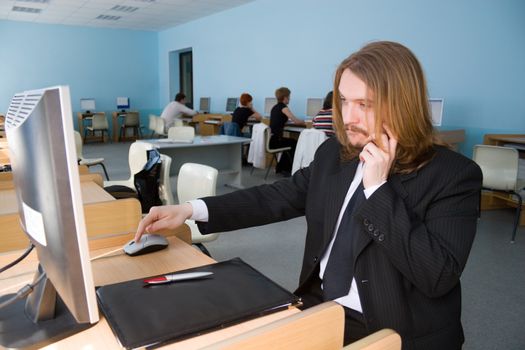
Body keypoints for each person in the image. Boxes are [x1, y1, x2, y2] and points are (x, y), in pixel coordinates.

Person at [135, 41, 482, 350]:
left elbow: (437, 275)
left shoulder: (454, 176)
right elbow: (276, 197)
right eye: (345, 101)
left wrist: (378, 190)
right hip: (318, 307)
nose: (349, 117)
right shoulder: (336, 154)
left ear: (403, 104)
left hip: (393, 332)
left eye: (365, 104)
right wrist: (191, 209)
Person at [269, 87, 305, 175]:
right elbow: (295, 120)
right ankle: (287, 169)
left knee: (290, 143)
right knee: (294, 143)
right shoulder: (284, 108)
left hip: (272, 139)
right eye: (289, 96)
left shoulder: (274, 107)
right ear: (285, 97)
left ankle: (281, 167)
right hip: (276, 141)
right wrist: (304, 122)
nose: (290, 98)